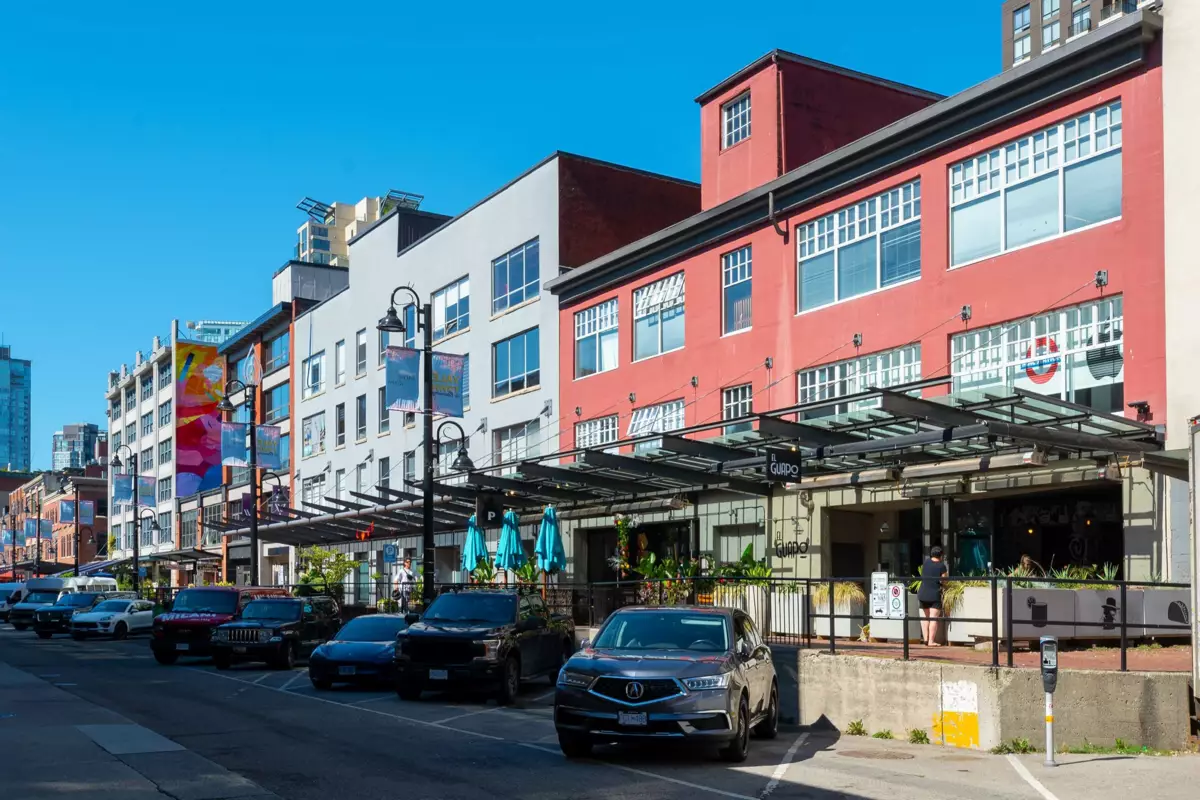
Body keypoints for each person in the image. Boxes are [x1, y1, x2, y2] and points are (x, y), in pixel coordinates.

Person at [918, 546, 948, 647]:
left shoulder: (926, 562)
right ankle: (931, 641)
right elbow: (944, 580)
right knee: (933, 618)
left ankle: (926, 639)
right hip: (934, 594)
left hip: (923, 593)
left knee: (925, 618)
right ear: (941, 555)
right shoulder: (941, 566)